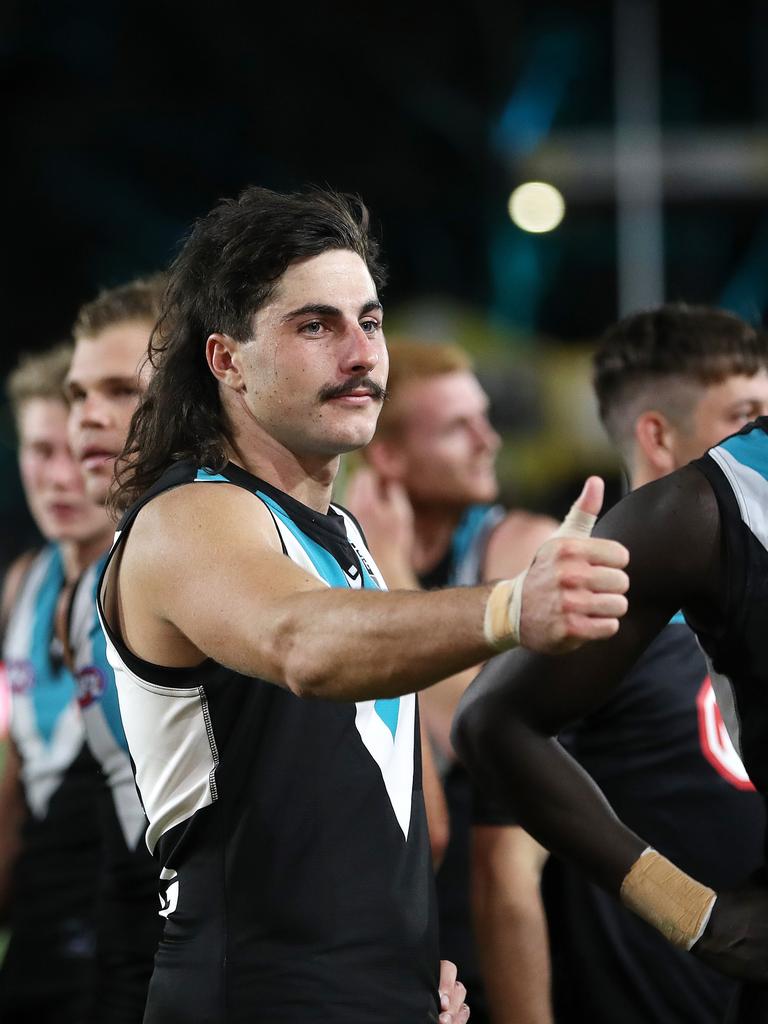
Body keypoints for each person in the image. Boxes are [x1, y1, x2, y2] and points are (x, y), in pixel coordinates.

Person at [96, 185, 631, 1024]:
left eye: (370, 322)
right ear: (227, 360)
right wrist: (510, 607)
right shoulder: (188, 517)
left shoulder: (347, 534)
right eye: (316, 326)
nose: (361, 354)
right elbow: (304, 644)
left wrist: (402, 973)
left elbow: (409, 812)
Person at [453, 308, 768, 1021]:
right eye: (744, 413)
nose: (753, 430)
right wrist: (696, 918)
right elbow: (504, 867)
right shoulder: (618, 594)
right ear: (656, 434)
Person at [345, 339, 557, 1024]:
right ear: (388, 455)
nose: (489, 440)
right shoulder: (325, 558)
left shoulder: (523, 544)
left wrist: (389, 573)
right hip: (396, 911)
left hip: (531, 904)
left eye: (485, 418)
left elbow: (474, 728)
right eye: (457, 427)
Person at [0, 344, 113, 1023]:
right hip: (45, 906)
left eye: (74, 451)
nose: (59, 478)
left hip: (132, 911)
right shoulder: (22, 584)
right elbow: (14, 776)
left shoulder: (151, 573)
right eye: (39, 452)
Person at [64, 276, 167, 1023]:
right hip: (133, 952)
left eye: (119, 391)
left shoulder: (257, 564)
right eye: (76, 395)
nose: (88, 420)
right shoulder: (86, 589)